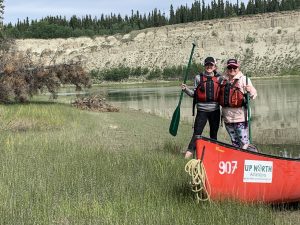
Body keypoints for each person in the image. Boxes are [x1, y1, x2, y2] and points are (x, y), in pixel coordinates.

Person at [181, 57, 223, 159]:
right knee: (197, 134)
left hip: (215, 111)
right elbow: (194, 94)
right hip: (202, 111)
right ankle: (188, 155)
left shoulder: (220, 78)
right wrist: (185, 89)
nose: (209, 67)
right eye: (207, 65)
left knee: (213, 135)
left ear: (214, 66)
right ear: (204, 66)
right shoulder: (198, 78)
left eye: (211, 65)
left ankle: (214, 156)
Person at [219, 59, 257, 150]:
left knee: (244, 143)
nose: (232, 69)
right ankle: (238, 160)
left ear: (238, 68)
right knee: (234, 142)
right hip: (227, 118)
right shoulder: (223, 80)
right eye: (230, 67)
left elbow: (254, 94)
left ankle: (250, 158)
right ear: (227, 68)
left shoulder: (244, 79)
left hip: (240, 117)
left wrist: (250, 90)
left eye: (234, 67)